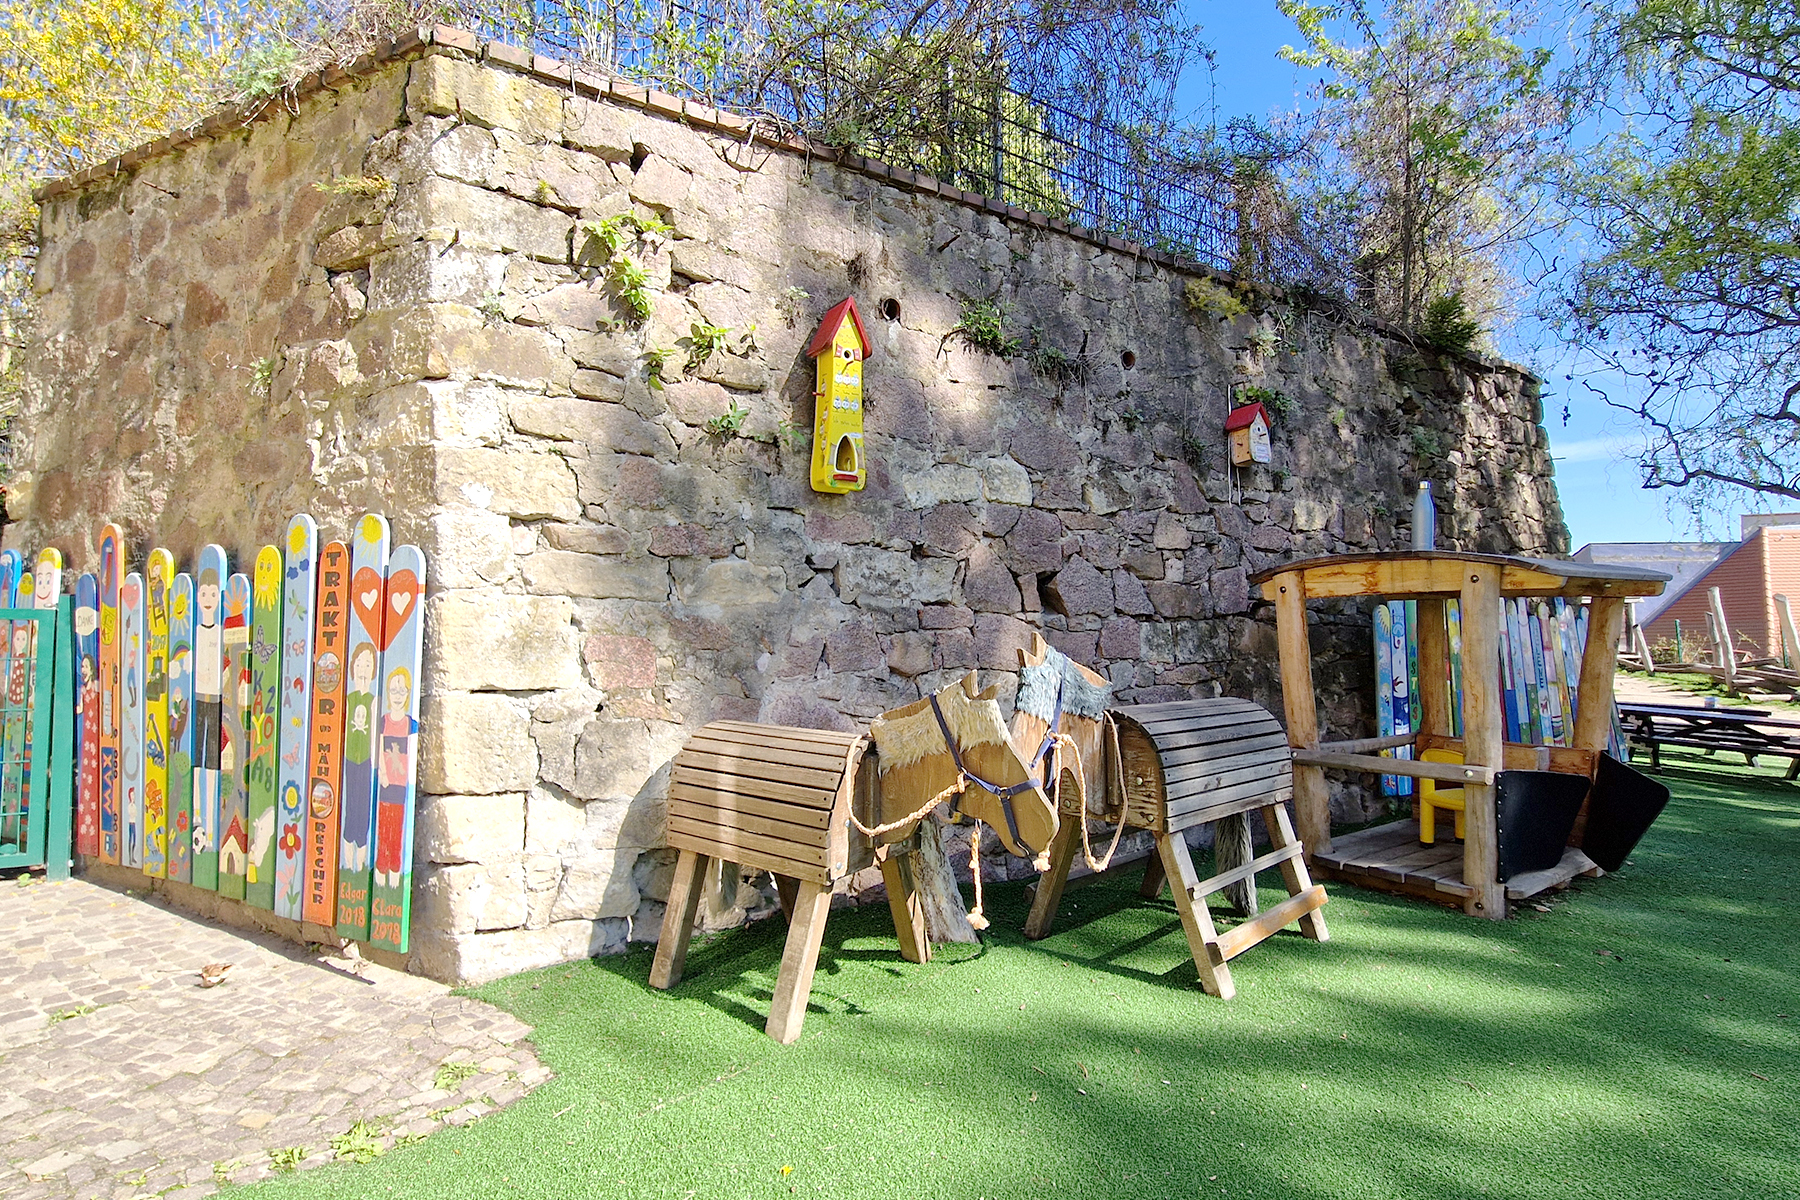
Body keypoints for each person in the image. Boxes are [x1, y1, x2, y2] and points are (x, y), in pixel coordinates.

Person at [373, 667, 418, 889]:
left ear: (408, 693)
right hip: (386, 782)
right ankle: (381, 867)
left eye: (402, 690)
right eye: (393, 690)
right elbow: (380, 748)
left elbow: (413, 748)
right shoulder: (384, 720)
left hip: (401, 784)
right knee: (384, 824)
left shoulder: (410, 723)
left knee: (397, 826)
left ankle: (394, 869)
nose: (398, 695)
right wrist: (382, 772)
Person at [339, 643, 378, 873]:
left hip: (365, 761)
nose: (363, 669)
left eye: (368, 664)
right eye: (359, 663)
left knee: (363, 807)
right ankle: (347, 856)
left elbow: (373, 734)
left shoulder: (372, 700)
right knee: (350, 805)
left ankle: (360, 860)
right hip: (348, 760)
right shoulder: (350, 699)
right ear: (353, 667)